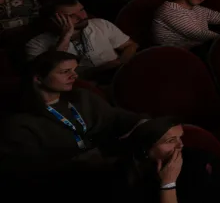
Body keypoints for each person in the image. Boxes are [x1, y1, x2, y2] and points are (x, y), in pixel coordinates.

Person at [0, 51, 145, 173]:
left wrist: (143, 123)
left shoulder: (82, 96)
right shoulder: (20, 123)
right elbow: (33, 170)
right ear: (38, 79)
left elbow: (115, 116)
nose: (74, 76)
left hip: (111, 162)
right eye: (65, 72)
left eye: (74, 70)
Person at [24, 0, 137, 81]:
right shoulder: (35, 44)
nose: (82, 16)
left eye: (82, 10)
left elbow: (130, 45)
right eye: (71, 15)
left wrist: (121, 62)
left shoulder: (100, 24)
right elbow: (47, 74)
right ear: (54, 20)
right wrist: (65, 37)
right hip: (80, 87)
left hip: (117, 75)